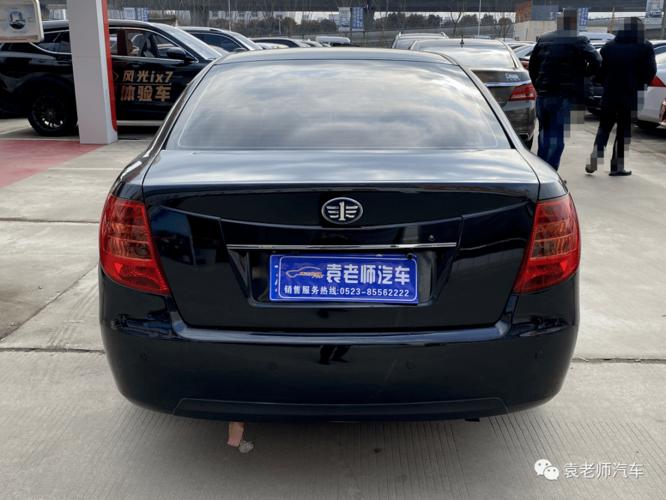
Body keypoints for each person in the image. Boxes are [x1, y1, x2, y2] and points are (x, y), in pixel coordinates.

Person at [529, 8, 601, 170]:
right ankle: (551, 174)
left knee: (544, 135)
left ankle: (541, 171)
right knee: (556, 136)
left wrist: (539, 85)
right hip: (563, 96)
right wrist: (584, 74)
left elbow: (533, 67)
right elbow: (597, 60)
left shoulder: (544, 39)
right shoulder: (578, 40)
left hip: (543, 95)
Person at [586, 18, 657, 176]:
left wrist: (606, 83)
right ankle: (617, 167)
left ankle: (595, 159)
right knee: (624, 131)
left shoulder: (609, 47)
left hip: (610, 94)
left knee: (604, 127)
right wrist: (641, 83)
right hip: (632, 95)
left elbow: (599, 71)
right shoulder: (645, 47)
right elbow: (651, 71)